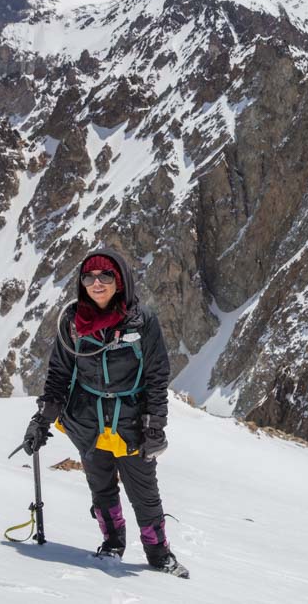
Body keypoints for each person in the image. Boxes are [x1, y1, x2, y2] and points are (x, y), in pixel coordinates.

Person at [21, 247, 189, 578]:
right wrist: (41, 419)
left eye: (105, 276)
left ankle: (158, 553)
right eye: (89, 277)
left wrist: (155, 427)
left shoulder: (142, 323)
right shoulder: (71, 324)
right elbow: (59, 375)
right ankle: (113, 542)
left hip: (130, 422)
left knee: (144, 492)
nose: (96, 283)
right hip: (87, 420)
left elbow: (157, 378)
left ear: (120, 280)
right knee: (100, 487)